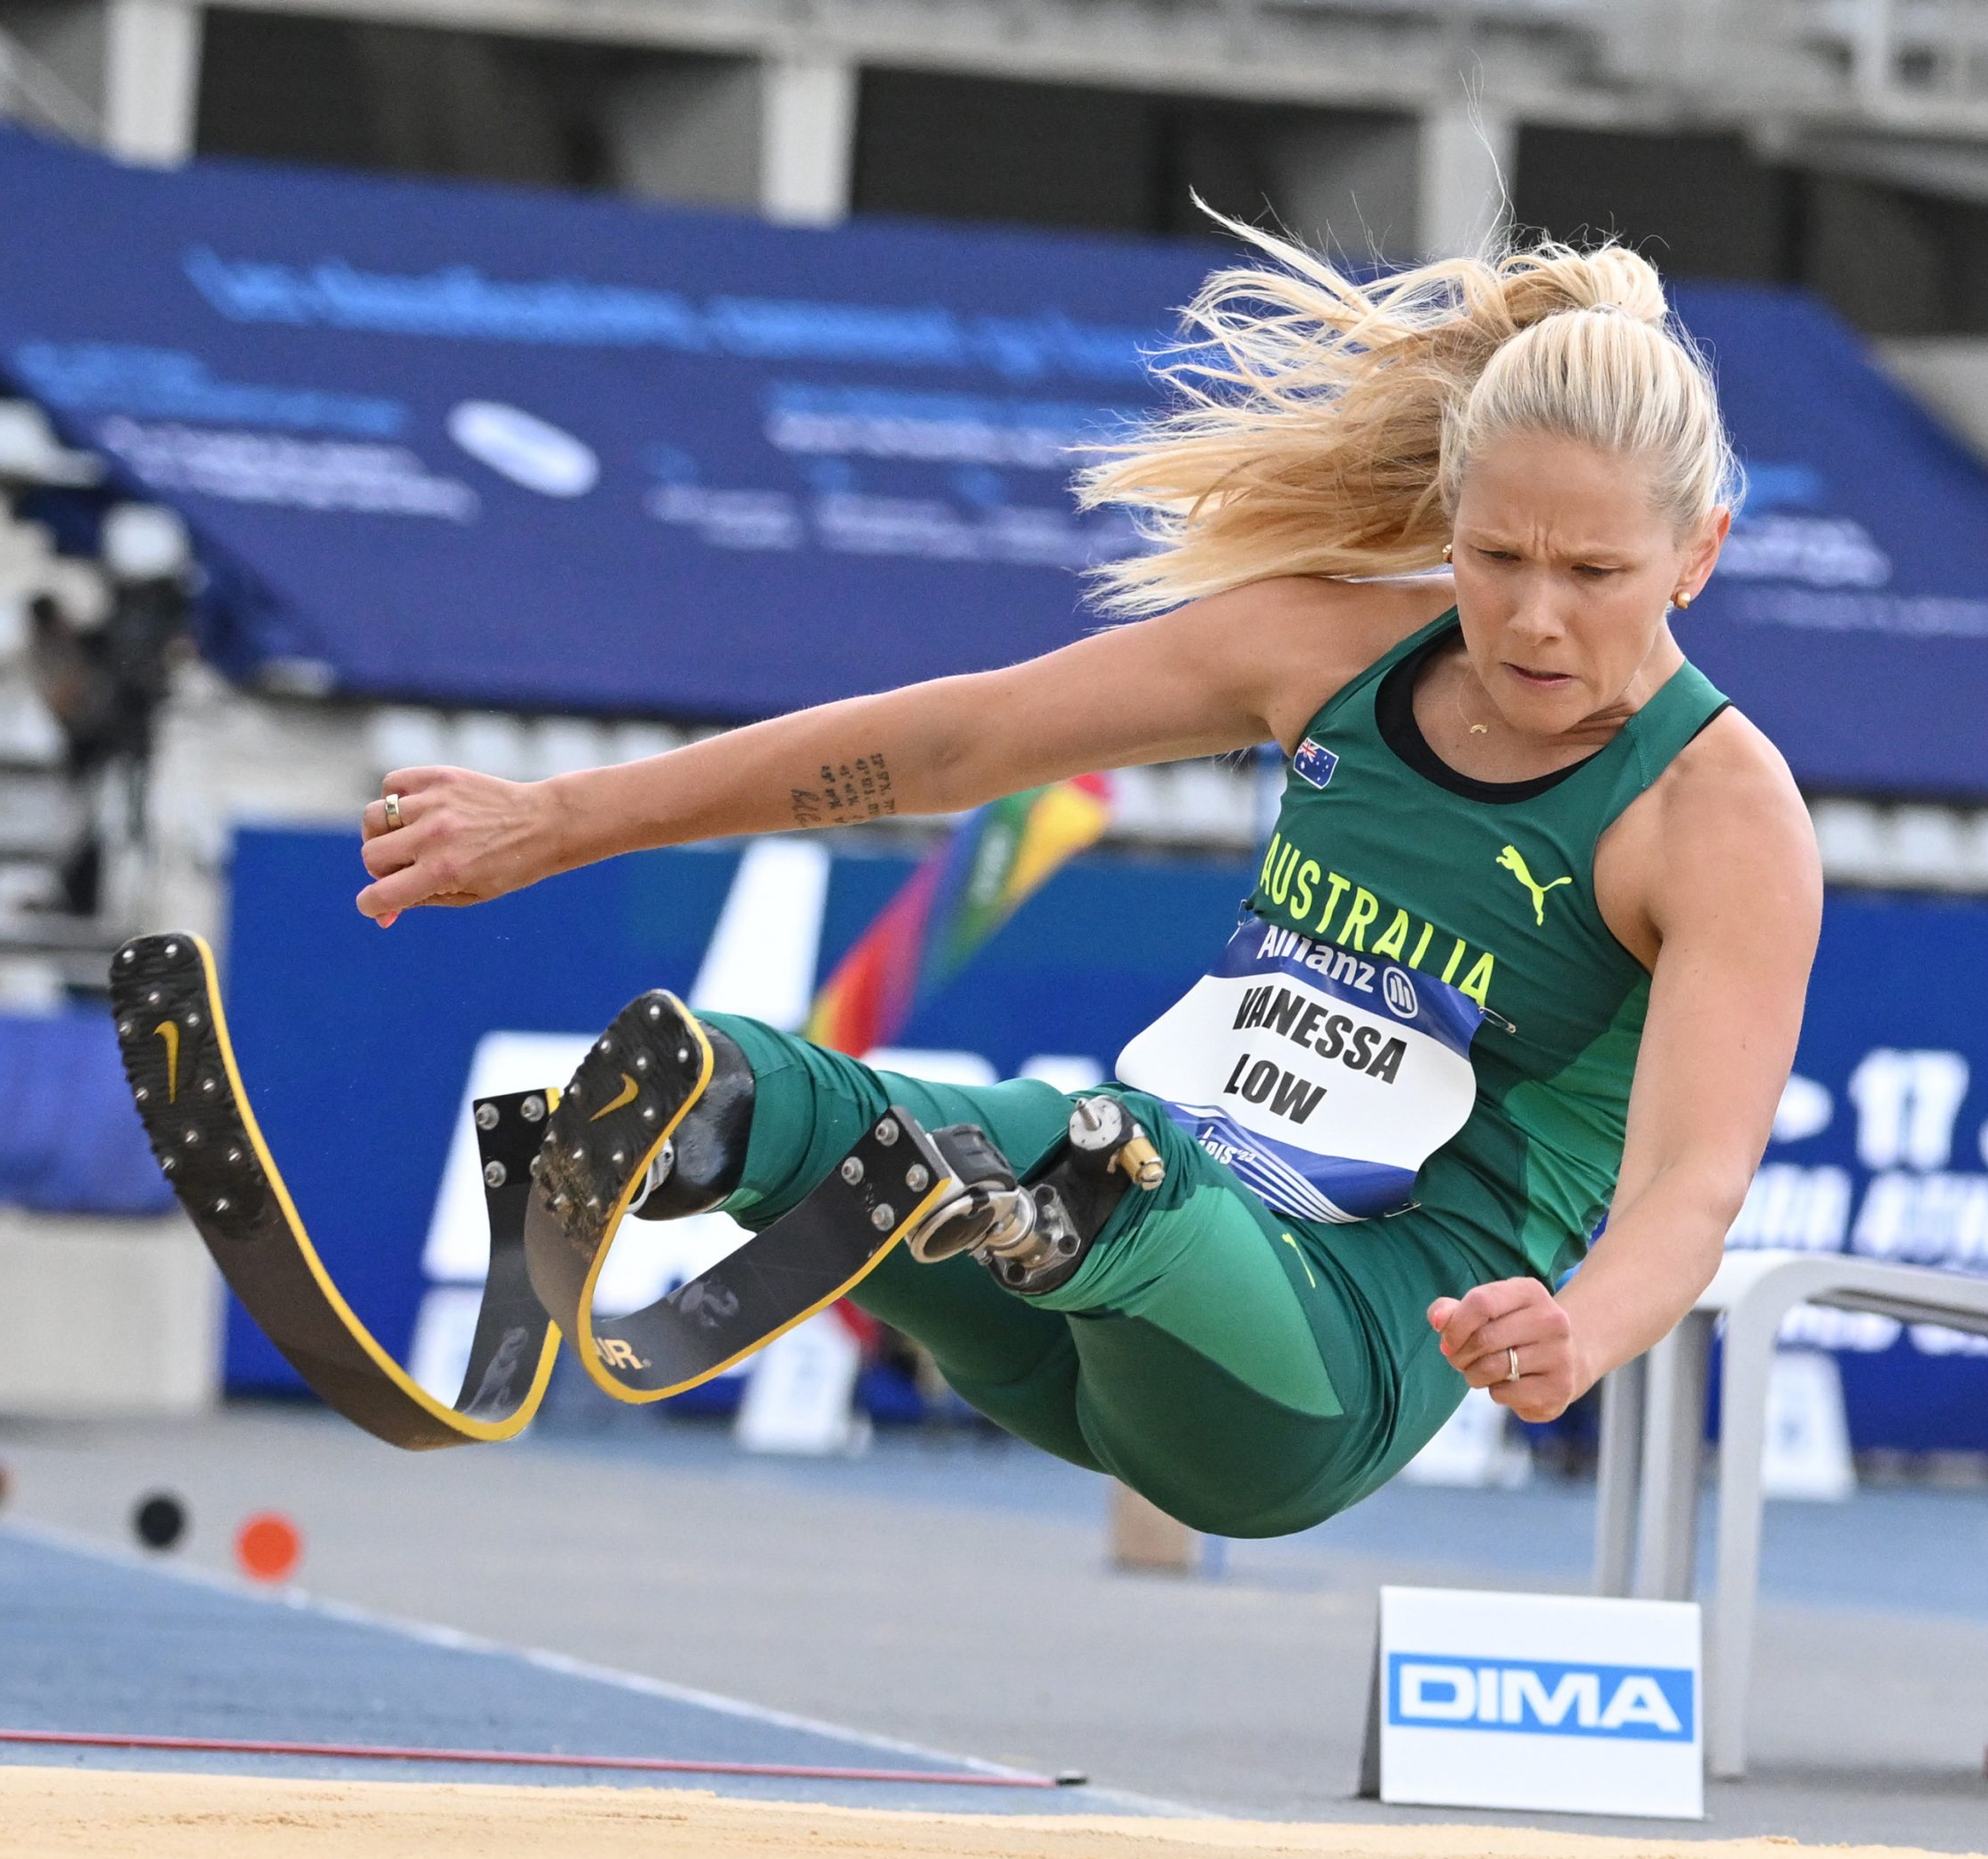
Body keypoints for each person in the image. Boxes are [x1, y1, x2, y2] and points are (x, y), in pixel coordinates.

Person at [351, 225, 1821, 1537]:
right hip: (1066, 1314)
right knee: (824, 1101)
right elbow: (959, 739)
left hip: (1325, 1363)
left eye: (1597, 575)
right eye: (1496, 556)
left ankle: (1035, 1209)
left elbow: (1695, 1181)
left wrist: (1586, 1328)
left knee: (1099, 1156)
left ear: (1700, 555)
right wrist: (559, 819)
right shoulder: (1327, 650)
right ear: (1448, 514)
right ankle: (702, 1130)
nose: (1535, 618)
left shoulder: (1719, 816)